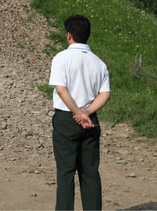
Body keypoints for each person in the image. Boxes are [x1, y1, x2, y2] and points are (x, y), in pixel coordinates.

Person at [49, 15, 110, 210]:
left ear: (68, 35)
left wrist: (77, 113)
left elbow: (61, 89)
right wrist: (87, 113)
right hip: (91, 121)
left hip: (67, 119)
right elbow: (105, 94)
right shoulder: (99, 63)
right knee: (90, 173)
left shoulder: (61, 58)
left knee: (66, 172)